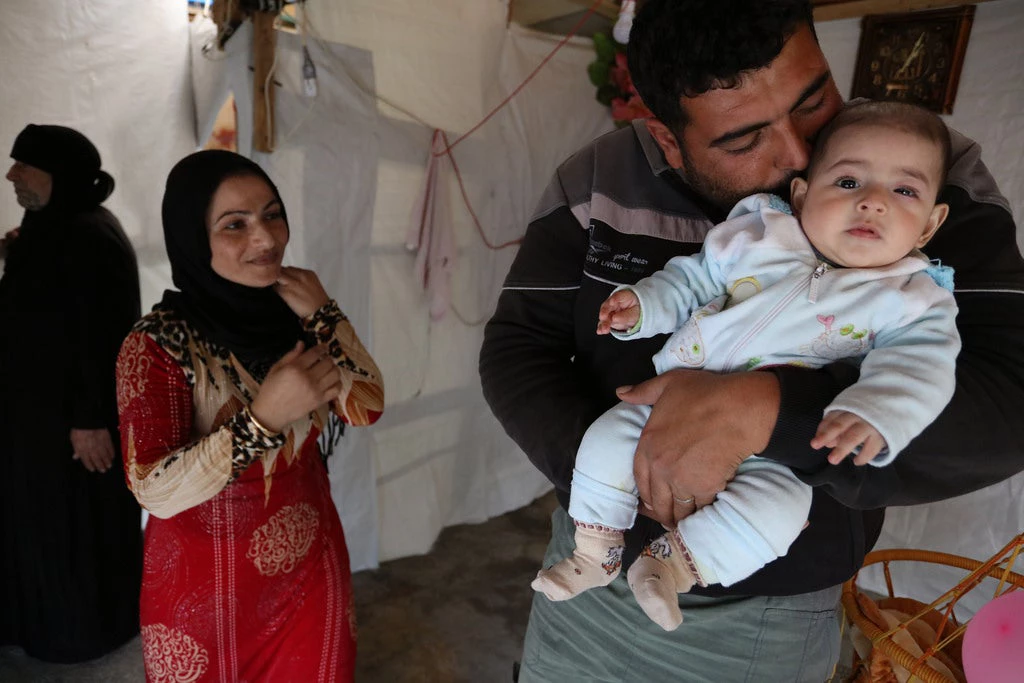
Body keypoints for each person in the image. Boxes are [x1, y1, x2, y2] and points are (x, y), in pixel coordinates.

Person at [479, 0, 1024, 679]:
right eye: (743, 140)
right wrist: (636, 483)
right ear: (669, 141)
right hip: (593, 568)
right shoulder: (600, 180)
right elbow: (516, 349)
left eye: (814, 99)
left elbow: (1006, 408)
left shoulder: (919, 174)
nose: (800, 155)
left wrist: (764, 411)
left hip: (772, 609)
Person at [531, 101, 960, 631]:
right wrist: (644, 306)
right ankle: (597, 552)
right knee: (605, 442)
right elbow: (692, 279)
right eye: (849, 183)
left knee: (778, 515)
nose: (873, 203)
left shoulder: (913, 299)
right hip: (672, 405)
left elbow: (923, 367)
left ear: (928, 225)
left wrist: (875, 410)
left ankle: (670, 569)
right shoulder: (758, 237)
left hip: (777, 453)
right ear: (802, 195)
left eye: (905, 191)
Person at [115, 150, 384, 682]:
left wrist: (327, 315)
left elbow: (365, 408)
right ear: (193, 237)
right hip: (201, 583)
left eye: (272, 213)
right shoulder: (156, 343)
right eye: (234, 224)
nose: (266, 239)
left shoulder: (300, 315)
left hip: (309, 564)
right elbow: (152, 489)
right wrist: (261, 421)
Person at [0, 124, 143, 663]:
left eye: (24, 165)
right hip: (38, 423)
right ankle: (40, 627)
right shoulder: (48, 226)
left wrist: (88, 420)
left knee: (77, 532)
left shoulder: (87, 237)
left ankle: (82, 635)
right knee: (42, 529)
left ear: (58, 174)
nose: (12, 174)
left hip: (74, 428)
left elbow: (102, 337)